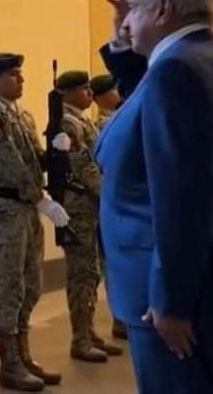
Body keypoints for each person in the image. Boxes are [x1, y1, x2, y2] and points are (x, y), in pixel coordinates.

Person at [95, 0, 213, 393]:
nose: (126, 20)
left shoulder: (176, 72)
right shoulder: (212, 57)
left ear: (163, 10)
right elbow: (148, 101)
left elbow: (182, 198)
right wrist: (124, 43)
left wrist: (171, 300)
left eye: (135, 9)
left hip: (177, 300)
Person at [0, 52, 70, 391]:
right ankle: (10, 364)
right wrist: (41, 199)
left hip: (26, 210)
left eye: (20, 73)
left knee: (31, 285)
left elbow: (32, 159)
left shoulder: (22, 116)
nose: (21, 79)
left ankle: (23, 355)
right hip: (5, 210)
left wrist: (57, 152)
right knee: (9, 287)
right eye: (13, 74)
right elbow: (9, 161)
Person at [54, 71, 122, 362]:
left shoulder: (82, 121)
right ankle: (80, 338)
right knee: (81, 273)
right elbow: (82, 164)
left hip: (91, 204)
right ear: (67, 93)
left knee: (92, 271)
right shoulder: (67, 123)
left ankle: (89, 332)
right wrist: (108, 194)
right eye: (82, 88)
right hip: (79, 206)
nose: (89, 93)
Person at [87, 73, 128, 340]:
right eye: (114, 90)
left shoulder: (115, 121)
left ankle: (124, 316)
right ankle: (121, 318)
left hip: (117, 199)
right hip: (112, 200)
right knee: (115, 262)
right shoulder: (106, 124)